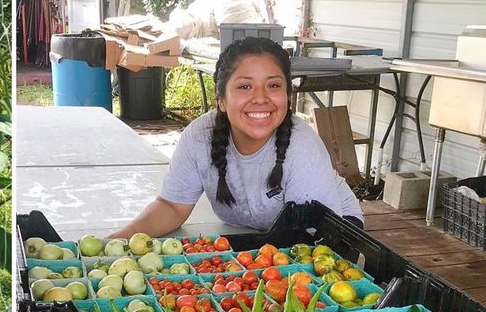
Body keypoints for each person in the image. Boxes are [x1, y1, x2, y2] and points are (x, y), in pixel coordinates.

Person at [110, 36, 363, 238]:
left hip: (329, 232)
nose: (261, 97)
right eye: (245, 86)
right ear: (221, 99)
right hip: (263, 234)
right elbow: (172, 207)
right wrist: (119, 240)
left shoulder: (302, 148)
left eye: (273, 85)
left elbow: (313, 239)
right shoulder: (199, 137)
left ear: (287, 95)